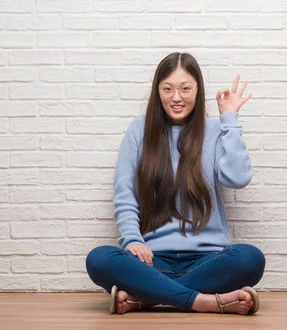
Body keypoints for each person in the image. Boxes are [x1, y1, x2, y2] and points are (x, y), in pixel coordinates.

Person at [85, 52, 265, 316]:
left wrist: (230, 120)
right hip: (150, 260)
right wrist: (133, 240)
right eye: (167, 89)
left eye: (185, 89)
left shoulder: (215, 130)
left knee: (250, 258)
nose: (176, 97)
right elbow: (125, 193)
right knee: (99, 259)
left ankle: (145, 299)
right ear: (157, 91)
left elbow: (237, 179)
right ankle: (204, 301)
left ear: (198, 90)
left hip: (208, 259)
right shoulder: (140, 129)